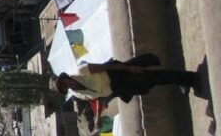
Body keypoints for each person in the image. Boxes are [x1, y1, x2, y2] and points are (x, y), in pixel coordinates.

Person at [55, 55, 200, 103]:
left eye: (65, 82)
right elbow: (98, 95)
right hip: (118, 88)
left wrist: (128, 68)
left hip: (117, 75)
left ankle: (189, 78)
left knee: (154, 77)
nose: (67, 85)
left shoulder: (80, 71)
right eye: (64, 87)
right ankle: (183, 80)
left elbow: (105, 67)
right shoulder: (78, 94)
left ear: (66, 78)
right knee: (152, 82)